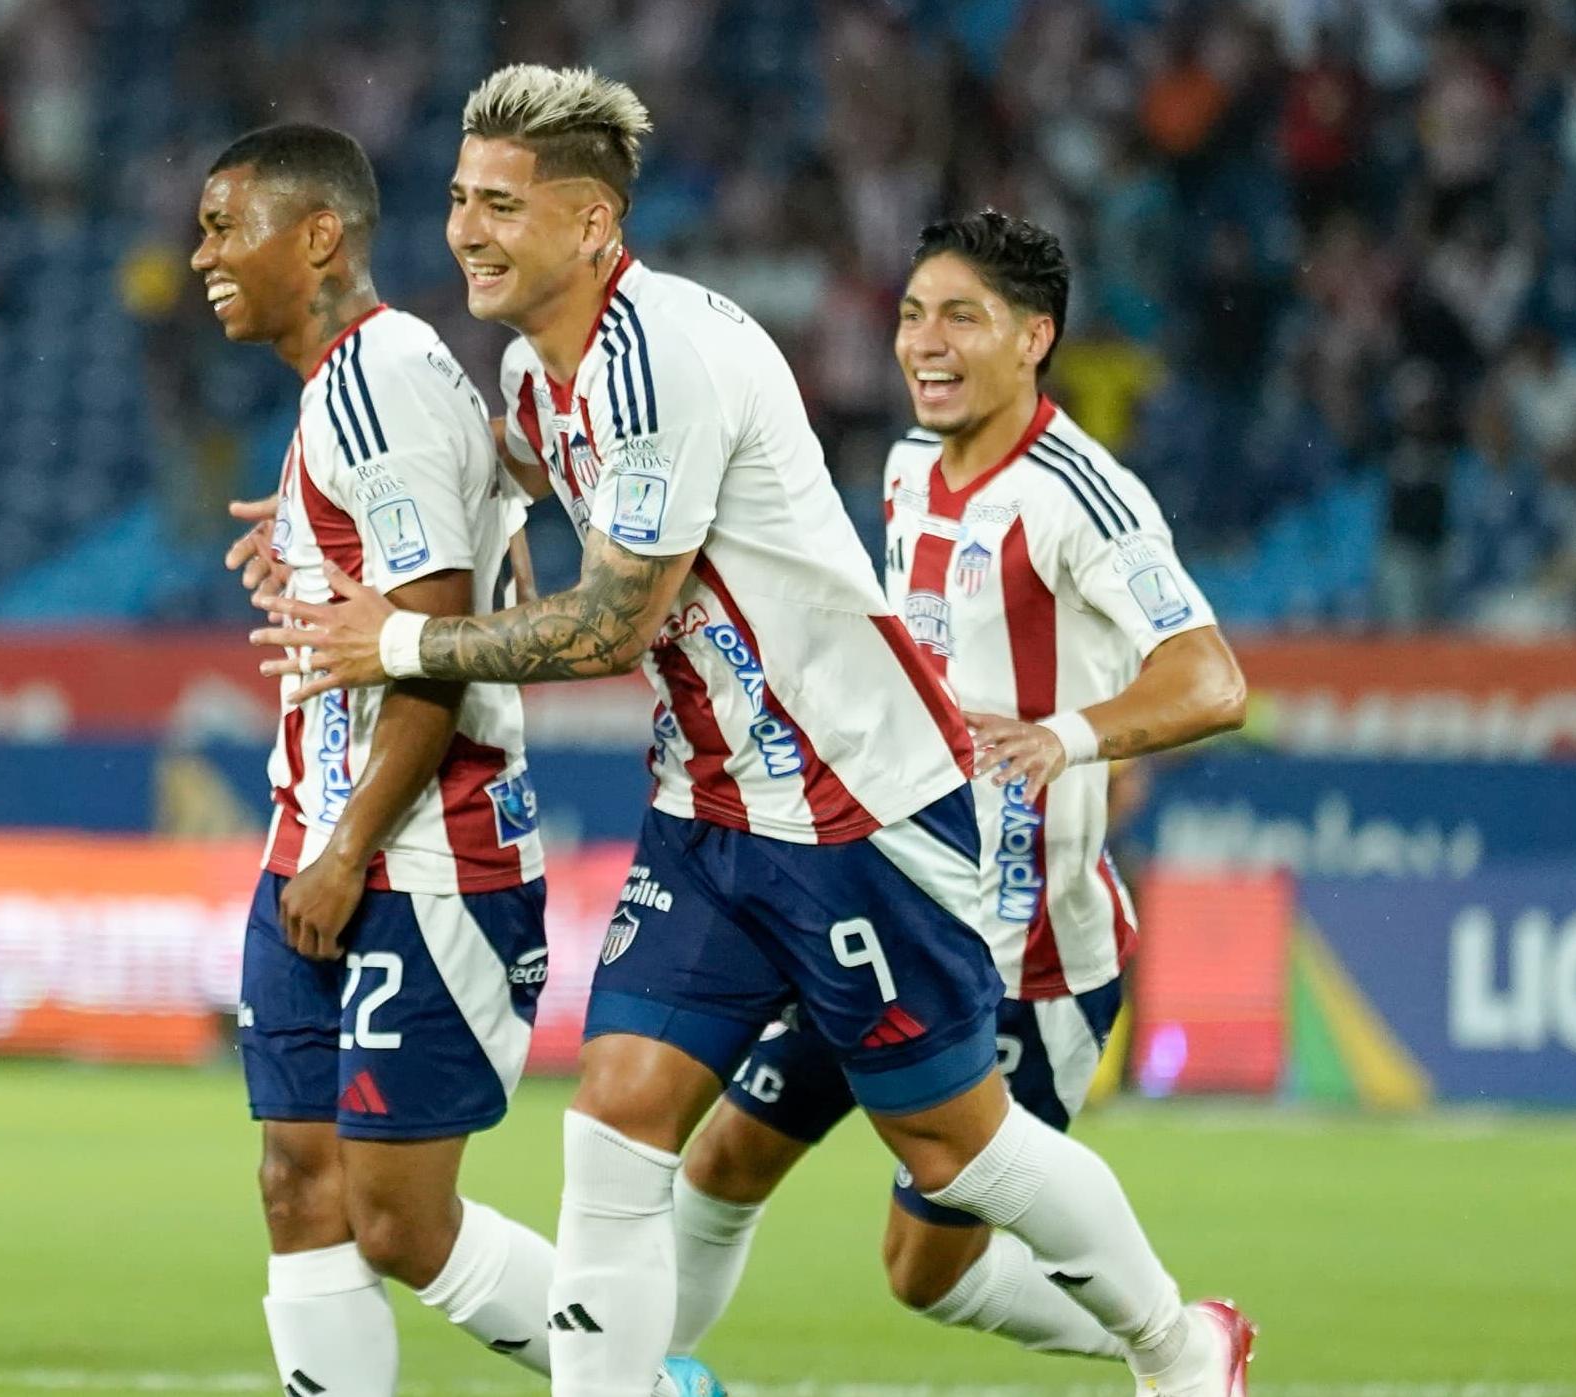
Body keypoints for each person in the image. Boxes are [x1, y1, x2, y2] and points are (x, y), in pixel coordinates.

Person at [249, 66, 1254, 1397]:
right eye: (457, 200)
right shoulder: (533, 375)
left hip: (861, 813)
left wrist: (398, 640)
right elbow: (487, 487)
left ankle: (1183, 1349)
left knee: (958, 1146)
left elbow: (612, 623)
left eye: (502, 205)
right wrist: (314, 501)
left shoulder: (665, 354)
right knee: (616, 1115)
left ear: (595, 223)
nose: (467, 231)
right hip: (710, 812)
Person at [662, 209, 1252, 1371]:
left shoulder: (1083, 492)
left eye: (960, 318)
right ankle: (654, 1367)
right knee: (722, 1158)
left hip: (1028, 952)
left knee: (923, 1267)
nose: (924, 342)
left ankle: (1187, 1340)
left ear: (1034, 336)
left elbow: (1210, 677)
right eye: (911, 315)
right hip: (888, 899)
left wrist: (1066, 734)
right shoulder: (903, 473)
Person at [190, 123, 562, 1397]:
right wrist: (300, 536)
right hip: (316, 837)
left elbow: (436, 641)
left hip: (416, 855)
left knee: (400, 1216)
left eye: (224, 226)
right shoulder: (349, 391)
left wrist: (349, 846)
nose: (201, 257)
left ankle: (642, 1375)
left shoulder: (375, 380)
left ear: (318, 236)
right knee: (297, 1179)